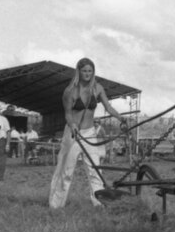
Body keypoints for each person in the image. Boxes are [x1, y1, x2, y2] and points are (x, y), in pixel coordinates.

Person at [50, 58, 128, 208]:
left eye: (90, 71)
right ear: (79, 72)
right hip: (73, 134)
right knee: (66, 172)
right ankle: (56, 205)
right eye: (84, 71)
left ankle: (99, 204)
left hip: (90, 133)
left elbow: (108, 107)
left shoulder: (97, 88)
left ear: (93, 72)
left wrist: (120, 118)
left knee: (95, 170)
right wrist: (72, 124)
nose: (87, 74)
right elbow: (67, 114)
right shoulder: (70, 91)